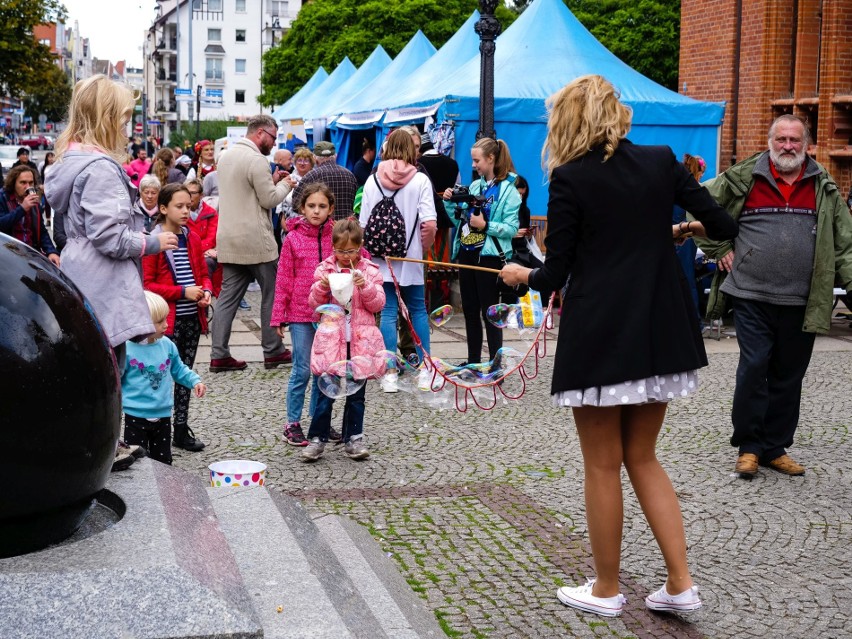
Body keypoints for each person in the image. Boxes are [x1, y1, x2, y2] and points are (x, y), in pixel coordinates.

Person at [499, 74, 739, 618]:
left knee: (603, 466)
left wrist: (520, 274)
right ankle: (680, 583)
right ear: (617, 114)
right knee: (644, 457)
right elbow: (723, 223)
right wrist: (675, 231)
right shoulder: (660, 160)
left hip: (602, 331)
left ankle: (606, 589)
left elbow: (555, 270)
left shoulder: (570, 178)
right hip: (659, 328)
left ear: (568, 120)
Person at [695, 113, 852, 478]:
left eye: (794, 140)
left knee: (789, 375)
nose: (787, 147)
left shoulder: (822, 185)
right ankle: (749, 447)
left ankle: (775, 447)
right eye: (781, 139)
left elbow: (845, 244)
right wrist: (719, 249)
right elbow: (699, 206)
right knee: (754, 367)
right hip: (751, 293)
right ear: (770, 142)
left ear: (807, 145)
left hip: (802, 299)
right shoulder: (743, 177)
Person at [45, 74, 178, 371]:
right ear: (107, 120)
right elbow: (110, 238)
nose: (125, 128)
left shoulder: (72, 162)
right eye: (123, 119)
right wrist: (150, 242)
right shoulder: (101, 170)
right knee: (107, 375)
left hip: (82, 272)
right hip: (103, 284)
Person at [210, 114, 293, 372]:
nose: (274, 143)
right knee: (271, 293)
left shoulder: (226, 156)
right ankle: (273, 350)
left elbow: (246, 192)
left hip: (229, 238)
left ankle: (218, 354)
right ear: (260, 133)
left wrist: (273, 181)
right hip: (256, 240)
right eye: (273, 137)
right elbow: (268, 200)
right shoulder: (257, 159)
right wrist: (287, 185)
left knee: (226, 298)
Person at [359, 128, 437, 392]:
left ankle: (390, 373)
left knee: (389, 312)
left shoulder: (373, 180)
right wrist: (419, 249)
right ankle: (426, 369)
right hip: (412, 258)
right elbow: (429, 223)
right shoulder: (420, 180)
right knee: (417, 310)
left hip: (383, 258)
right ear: (412, 150)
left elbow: (364, 224)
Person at [302, 218, 385, 462]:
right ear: (333, 248)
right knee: (325, 394)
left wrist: (365, 286)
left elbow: (378, 303)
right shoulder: (325, 269)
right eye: (339, 250)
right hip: (331, 344)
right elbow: (314, 304)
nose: (344, 255)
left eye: (349, 251)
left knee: (356, 396)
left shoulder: (370, 271)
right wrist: (322, 286)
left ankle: (354, 438)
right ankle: (317, 439)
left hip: (360, 344)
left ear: (360, 247)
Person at [143, 183, 213, 453]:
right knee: (158, 378)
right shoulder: (154, 241)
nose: (186, 211)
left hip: (191, 320)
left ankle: (180, 430)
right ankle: (152, 431)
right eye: (179, 206)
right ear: (163, 209)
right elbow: (148, 285)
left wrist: (205, 290)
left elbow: (203, 274)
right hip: (164, 323)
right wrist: (183, 291)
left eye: (189, 205)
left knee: (185, 376)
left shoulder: (191, 238)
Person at [443, 137, 521, 365]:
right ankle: (473, 361)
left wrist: (486, 226)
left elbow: (512, 228)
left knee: (491, 313)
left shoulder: (509, 191)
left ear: (491, 158)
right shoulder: (476, 186)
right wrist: (450, 201)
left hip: (489, 257)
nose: (474, 165)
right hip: (468, 253)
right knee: (469, 310)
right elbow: (460, 220)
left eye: (477, 160)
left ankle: (496, 365)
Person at [271, 183, 337, 447]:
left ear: (330, 209)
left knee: (325, 372)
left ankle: (319, 421)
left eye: (322, 206)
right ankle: (292, 423)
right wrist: (279, 317)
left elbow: (356, 256)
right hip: (300, 314)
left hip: (330, 315)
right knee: (301, 370)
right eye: (311, 206)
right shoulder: (293, 239)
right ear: (302, 208)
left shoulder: (336, 236)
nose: (316, 211)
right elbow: (283, 279)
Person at [122, 291, 207, 465]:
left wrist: (194, 381)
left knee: (164, 461)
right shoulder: (127, 349)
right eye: (160, 321)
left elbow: (179, 369)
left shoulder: (167, 345)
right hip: (135, 416)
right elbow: (117, 378)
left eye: (166, 319)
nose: (166, 325)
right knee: (137, 464)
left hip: (163, 415)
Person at [0, 165, 59, 266]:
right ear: (13, 183)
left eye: (31, 183)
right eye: (23, 183)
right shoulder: (3, 197)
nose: (28, 187)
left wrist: (51, 251)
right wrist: (22, 208)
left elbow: (42, 231)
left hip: (31, 253)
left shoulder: (33, 201)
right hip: (7, 254)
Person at [672, 154, 706, 319]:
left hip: (674, 236)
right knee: (687, 279)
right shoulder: (695, 190)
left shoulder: (675, 188)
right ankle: (694, 320)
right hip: (687, 238)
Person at [290, 141, 358, 220]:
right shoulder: (350, 175)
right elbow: (357, 205)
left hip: (321, 228)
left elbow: (295, 204)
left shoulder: (311, 176)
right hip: (346, 228)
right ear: (335, 156)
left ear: (315, 158)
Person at [185, 177, 222, 296]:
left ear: (201, 195)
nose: (189, 196)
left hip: (205, 255)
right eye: (187, 192)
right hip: (187, 252)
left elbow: (211, 239)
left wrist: (197, 250)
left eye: (193, 193)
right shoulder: (180, 212)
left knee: (206, 263)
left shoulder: (210, 212)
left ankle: (204, 304)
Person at [279, 147, 315, 221]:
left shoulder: (316, 179)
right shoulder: (288, 178)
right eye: (299, 160)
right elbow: (279, 201)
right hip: (288, 221)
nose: (302, 163)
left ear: (311, 164)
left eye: (306, 161)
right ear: (295, 163)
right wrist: (281, 219)